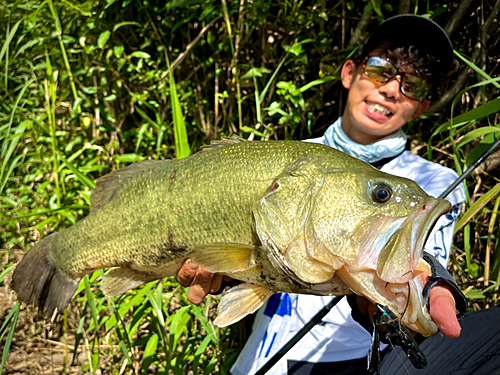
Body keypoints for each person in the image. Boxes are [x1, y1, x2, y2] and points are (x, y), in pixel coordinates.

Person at [178, 15, 471, 374]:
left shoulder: (433, 184)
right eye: (381, 70)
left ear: (422, 107)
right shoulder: (286, 158)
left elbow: (420, 265)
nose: (392, 89)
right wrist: (222, 269)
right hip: (260, 361)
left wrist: (427, 288)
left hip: (357, 361)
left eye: (415, 85)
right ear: (350, 73)